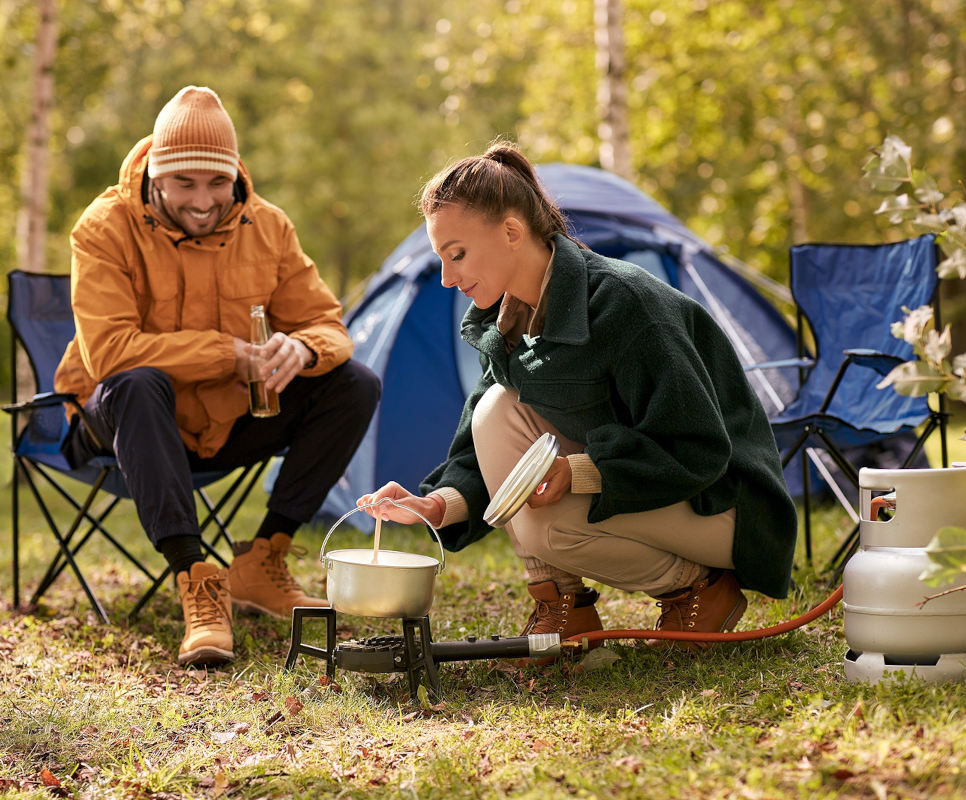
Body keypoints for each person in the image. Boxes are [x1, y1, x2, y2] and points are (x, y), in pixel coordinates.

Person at [359, 141, 796, 656]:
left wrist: (579, 472)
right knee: (496, 407)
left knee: (548, 525)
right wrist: (437, 505)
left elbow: (696, 448)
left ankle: (699, 588)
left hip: (725, 502)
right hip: (661, 492)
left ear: (512, 232)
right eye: (440, 259)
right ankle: (565, 607)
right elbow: (481, 455)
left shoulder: (625, 303)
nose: (447, 278)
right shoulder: (506, 324)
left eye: (457, 255)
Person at [55, 86, 380, 667]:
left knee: (354, 383)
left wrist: (302, 350)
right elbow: (109, 353)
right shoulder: (103, 227)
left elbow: (328, 325)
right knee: (137, 382)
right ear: (155, 173)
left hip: (228, 422)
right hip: (128, 423)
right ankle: (195, 580)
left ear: (235, 174)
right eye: (185, 184)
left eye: (217, 182)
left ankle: (263, 558)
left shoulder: (270, 227)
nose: (204, 201)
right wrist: (229, 354)